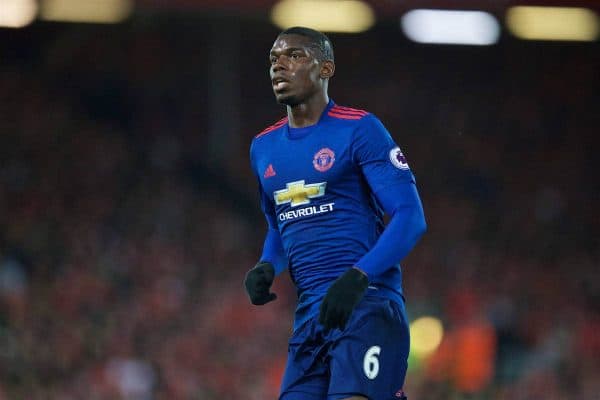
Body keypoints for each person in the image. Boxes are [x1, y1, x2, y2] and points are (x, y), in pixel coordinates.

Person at [244, 26, 426, 400]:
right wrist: (266, 264)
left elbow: (410, 216)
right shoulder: (263, 147)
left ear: (326, 68)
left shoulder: (360, 130)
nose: (279, 65)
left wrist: (359, 276)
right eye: (274, 59)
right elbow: (281, 224)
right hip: (312, 315)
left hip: (368, 303)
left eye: (294, 56)